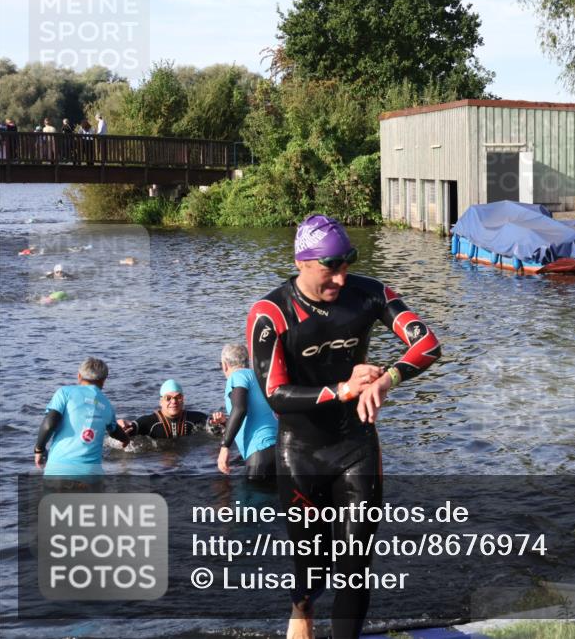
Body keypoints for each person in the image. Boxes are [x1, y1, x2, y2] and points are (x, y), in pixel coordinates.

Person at [248, 214, 441, 639]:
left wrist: (388, 379)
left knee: (355, 567)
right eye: (330, 266)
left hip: (356, 448)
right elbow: (274, 394)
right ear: (302, 262)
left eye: (347, 262)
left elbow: (428, 343)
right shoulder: (271, 312)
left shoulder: (369, 293)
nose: (341, 275)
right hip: (301, 453)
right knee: (312, 572)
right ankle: (301, 609)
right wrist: (342, 389)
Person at [34, 357, 130, 475]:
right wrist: (126, 439)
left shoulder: (64, 393)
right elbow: (115, 431)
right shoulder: (107, 405)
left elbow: (49, 425)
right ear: (104, 380)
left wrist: (39, 449)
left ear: (79, 376)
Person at [214, 343, 277, 483]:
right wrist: (226, 423)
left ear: (224, 365)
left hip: (259, 453)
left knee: (252, 503)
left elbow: (240, 408)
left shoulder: (237, 376)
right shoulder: (260, 377)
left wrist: (224, 447)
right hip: (279, 449)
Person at [118, 379, 223, 438]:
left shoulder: (196, 418)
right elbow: (129, 429)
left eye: (178, 397)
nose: (174, 401)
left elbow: (218, 431)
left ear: (183, 399)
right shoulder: (149, 422)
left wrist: (221, 423)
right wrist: (120, 426)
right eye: (168, 398)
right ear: (161, 401)